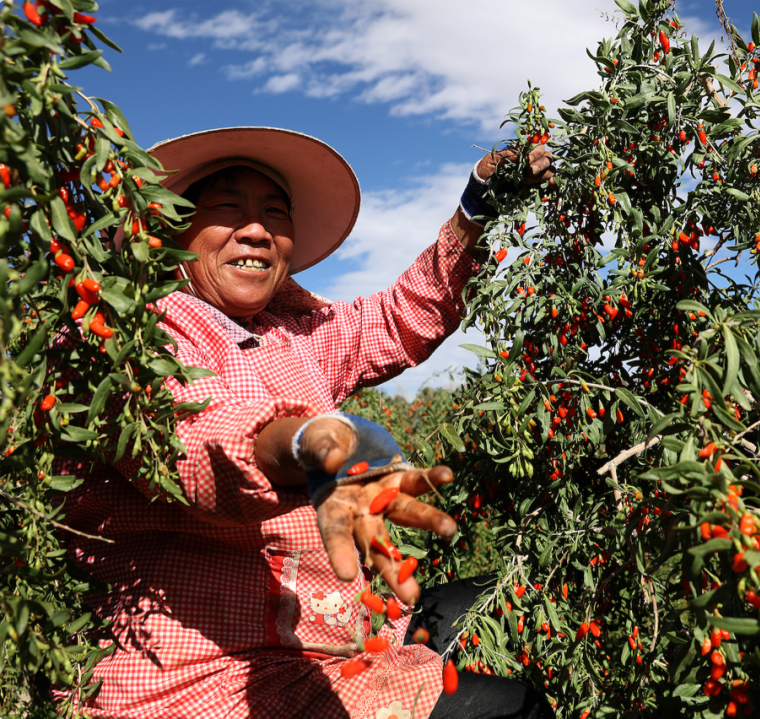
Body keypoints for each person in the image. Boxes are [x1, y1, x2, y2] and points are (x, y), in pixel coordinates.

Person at [56, 127, 555, 719]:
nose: (257, 229)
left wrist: (476, 210)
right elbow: (191, 440)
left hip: (325, 631)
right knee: (509, 710)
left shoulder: (291, 331)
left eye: (274, 213)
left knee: (506, 606)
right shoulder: (124, 334)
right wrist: (309, 443)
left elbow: (397, 320)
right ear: (169, 228)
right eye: (226, 208)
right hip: (205, 673)